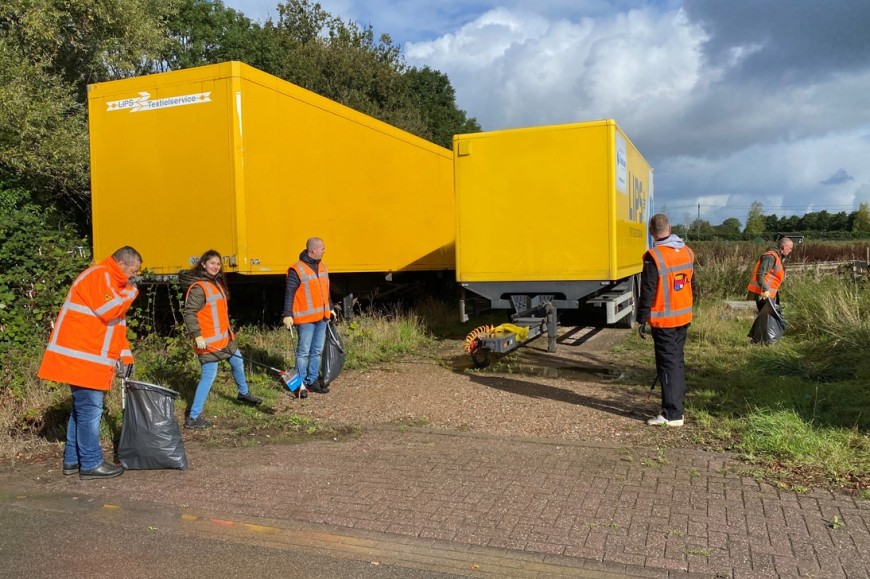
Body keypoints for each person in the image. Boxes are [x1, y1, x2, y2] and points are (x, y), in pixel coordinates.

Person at [37, 246, 142, 480]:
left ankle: (73, 460)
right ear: (121, 264)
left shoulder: (109, 282)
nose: (134, 276)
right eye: (133, 271)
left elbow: (115, 328)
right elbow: (110, 311)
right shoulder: (99, 276)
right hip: (83, 359)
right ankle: (91, 463)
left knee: (82, 410)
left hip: (87, 359)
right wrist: (131, 292)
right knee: (91, 411)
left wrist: (126, 357)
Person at [181, 250, 262, 429]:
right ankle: (193, 417)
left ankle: (243, 393)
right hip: (208, 342)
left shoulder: (215, 282)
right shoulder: (199, 288)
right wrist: (197, 336)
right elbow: (189, 313)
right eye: (212, 263)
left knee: (238, 361)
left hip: (224, 339)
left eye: (218, 264)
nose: (216, 266)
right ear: (203, 264)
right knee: (208, 377)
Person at [636, 214, 696, 427]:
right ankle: (676, 408)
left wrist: (641, 318)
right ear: (669, 228)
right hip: (683, 317)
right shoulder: (687, 252)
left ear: (651, 232)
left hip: (664, 321)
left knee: (668, 365)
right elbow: (692, 284)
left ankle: (672, 414)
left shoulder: (654, 256)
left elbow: (648, 290)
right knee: (676, 362)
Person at [282, 237, 335, 394]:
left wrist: (331, 307)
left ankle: (312, 380)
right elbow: (289, 293)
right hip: (305, 320)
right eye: (322, 249)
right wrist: (287, 314)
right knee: (303, 352)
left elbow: (325, 291)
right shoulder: (297, 269)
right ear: (314, 250)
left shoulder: (322, 267)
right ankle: (300, 384)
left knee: (317, 351)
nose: (324, 251)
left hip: (322, 317)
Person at [747, 236, 794, 310]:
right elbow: (760, 274)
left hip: (767, 294)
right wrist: (765, 290)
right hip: (760, 294)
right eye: (790, 248)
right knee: (759, 315)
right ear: (784, 247)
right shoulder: (771, 256)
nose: (791, 250)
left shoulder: (778, 257)